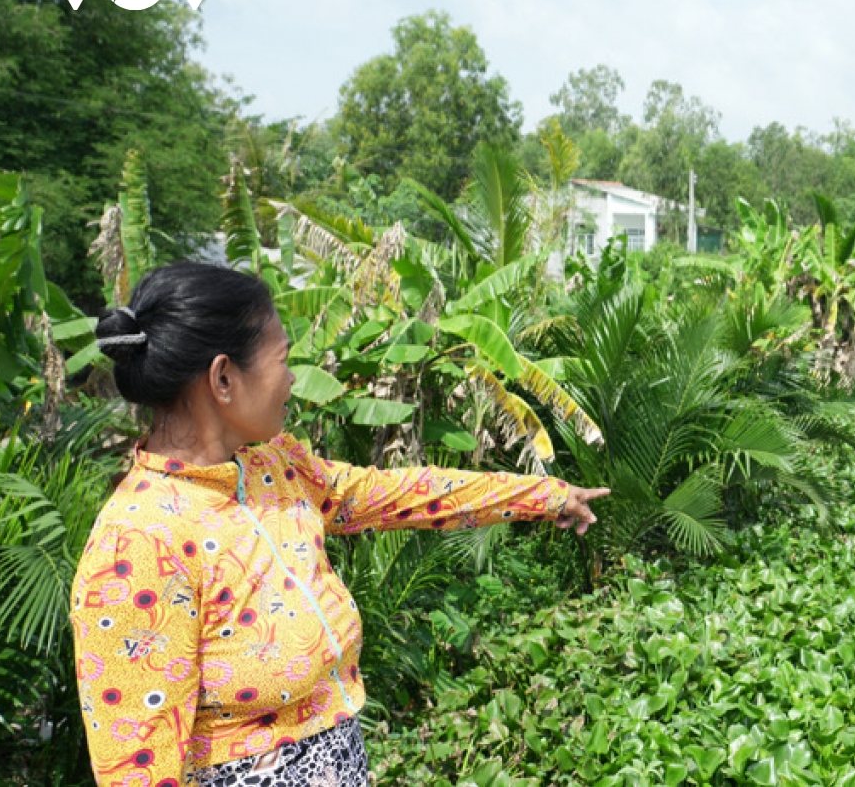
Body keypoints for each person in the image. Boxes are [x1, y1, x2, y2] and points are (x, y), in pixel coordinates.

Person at [69, 262, 609, 787]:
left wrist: (543, 496)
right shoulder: (137, 546)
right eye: (283, 359)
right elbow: (137, 769)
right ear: (224, 378)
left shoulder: (273, 468)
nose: (293, 378)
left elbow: (399, 495)